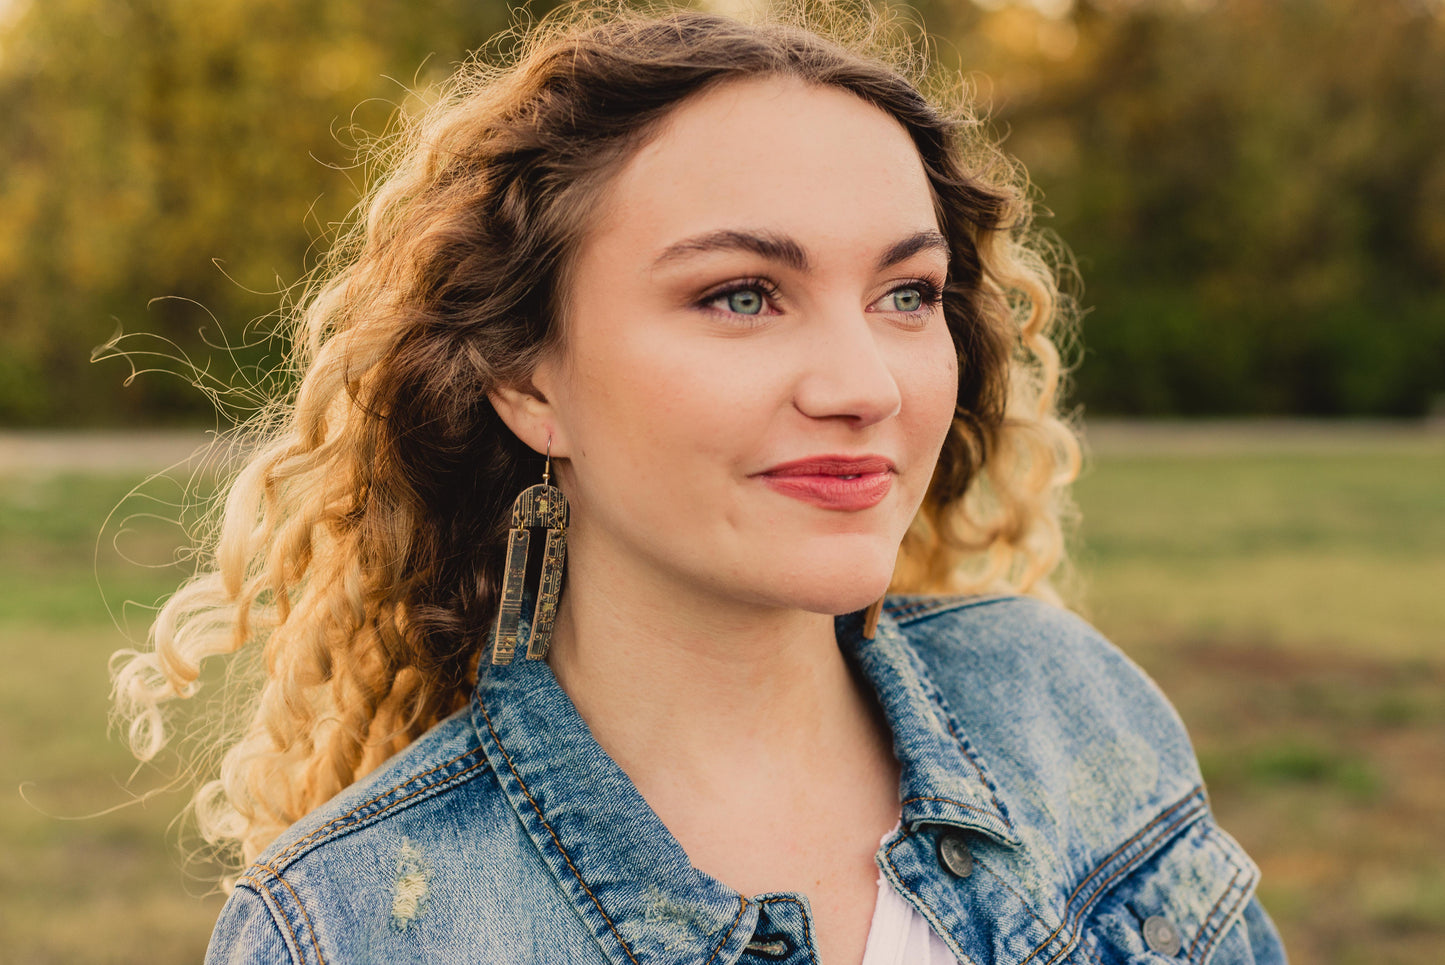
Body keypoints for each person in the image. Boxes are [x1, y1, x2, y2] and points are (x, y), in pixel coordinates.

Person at [110, 3, 1289, 963]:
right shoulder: (354, 924)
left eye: (905, 294)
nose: (863, 383)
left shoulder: (1062, 704)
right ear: (528, 381)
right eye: (740, 294)